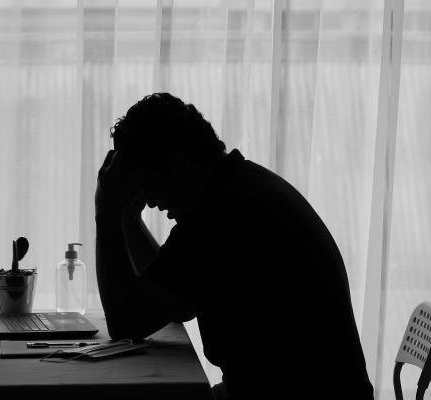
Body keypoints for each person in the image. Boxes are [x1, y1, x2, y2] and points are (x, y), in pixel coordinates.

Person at [95, 92, 374, 400]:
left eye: (149, 186)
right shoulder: (239, 188)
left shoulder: (218, 216)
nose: (151, 201)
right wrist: (130, 220)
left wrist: (107, 212)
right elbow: (173, 303)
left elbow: (125, 321)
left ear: (176, 164)